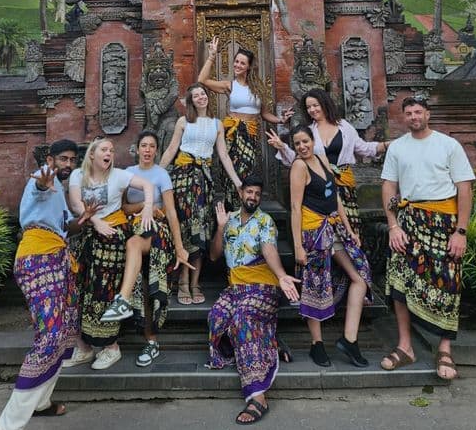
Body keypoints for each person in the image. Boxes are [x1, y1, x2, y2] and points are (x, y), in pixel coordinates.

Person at [0, 139, 96, 430]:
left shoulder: (59, 192)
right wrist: (47, 174)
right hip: (36, 260)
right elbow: (40, 185)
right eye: (63, 159)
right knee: (50, 338)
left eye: (72, 160)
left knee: (66, 334)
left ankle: (42, 402)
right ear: (50, 159)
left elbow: (64, 228)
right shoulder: (42, 179)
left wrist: (83, 219)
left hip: (58, 261)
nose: (68, 164)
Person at [380, 96, 475, 380]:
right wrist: (393, 225)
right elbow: (388, 186)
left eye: (418, 112)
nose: (413, 117)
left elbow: (465, 189)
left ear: (428, 114)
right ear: (404, 118)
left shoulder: (448, 145)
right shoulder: (397, 148)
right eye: (408, 113)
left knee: (447, 282)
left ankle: (445, 348)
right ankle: (405, 346)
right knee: (399, 281)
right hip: (408, 222)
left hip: (444, 221)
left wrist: (461, 231)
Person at [207, 176, 300, 425]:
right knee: (217, 317)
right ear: (241, 193)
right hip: (236, 287)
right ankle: (269, 340)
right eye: (250, 192)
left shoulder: (265, 222)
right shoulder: (230, 220)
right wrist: (220, 227)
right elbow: (215, 256)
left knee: (242, 319)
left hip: (264, 287)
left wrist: (281, 276)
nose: (253, 197)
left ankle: (258, 396)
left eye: (258, 194)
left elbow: (269, 249)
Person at [99, 130, 192, 366]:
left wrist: (180, 247)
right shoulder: (127, 174)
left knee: (147, 276)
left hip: (157, 234)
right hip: (132, 228)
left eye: (152, 146)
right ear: (137, 149)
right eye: (144, 145)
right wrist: (143, 205)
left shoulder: (162, 175)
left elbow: (170, 212)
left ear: (156, 150)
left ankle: (147, 336)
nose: (148, 150)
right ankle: (115, 334)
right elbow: (123, 209)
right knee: (133, 272)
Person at [66, 137, 155, 370]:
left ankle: (111, 347)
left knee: (104, 291)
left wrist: (147, 206)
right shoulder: (78, 175)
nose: (109, 153)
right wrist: (95, 221)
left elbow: (148, 186)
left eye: (112, 150)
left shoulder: (119, 175)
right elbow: (76, 205)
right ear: (92, 155)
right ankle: (84, 348)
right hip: (88, 235)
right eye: (104, 149)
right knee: (81, 291)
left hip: (113, 238)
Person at [289, 125, 372, 368]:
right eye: (297, 144)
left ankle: (350, 339)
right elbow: (295, 208)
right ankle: (317, 344)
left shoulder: (323, 159)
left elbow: (335, 197)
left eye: (305, 141)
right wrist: (297, 247)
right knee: (315, 286)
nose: (302, 147)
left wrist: (350, 230)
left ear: (313, 141)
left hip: (334, 227)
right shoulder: (299, 167)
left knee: (360, 277)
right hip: (312, 232)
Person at [159, 82, 242, 305]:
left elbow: (223, 156)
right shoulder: (183, 121)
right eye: (195, 95)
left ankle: (196, 282)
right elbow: (171, 149)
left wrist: (238, 182)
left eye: (203, 94)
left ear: (208, 97)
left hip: (204, 182)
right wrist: (155, 175)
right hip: (183, 178)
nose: (200, 98)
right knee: (186, 228)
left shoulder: (217, 124)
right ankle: (184, 282)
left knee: (203, 230)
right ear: (190, 101)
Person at [267, 87, 389, 234]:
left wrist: (387, 145)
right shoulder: (309, 131)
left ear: (324, 104)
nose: (312, 110)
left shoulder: (344, 127)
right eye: (308, 107)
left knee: (349, 231)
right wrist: (282, 147)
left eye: (315, 105)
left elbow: (364, 148)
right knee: (325, 232)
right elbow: (300, 160)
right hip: (320, 187)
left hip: (344, 186)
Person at [198, 36, 286, 208]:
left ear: (248, 67)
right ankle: (231, 210)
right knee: (230, 173)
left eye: (242, 63)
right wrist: (212, 56)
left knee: (247, 173)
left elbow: (265, 114)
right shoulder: (229, 85)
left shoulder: (258, 89)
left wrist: (281, 119)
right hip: (232, 135)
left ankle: (246, 208)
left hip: (251, 137)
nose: (237, 65)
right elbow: (202, 80)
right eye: (236, 61)